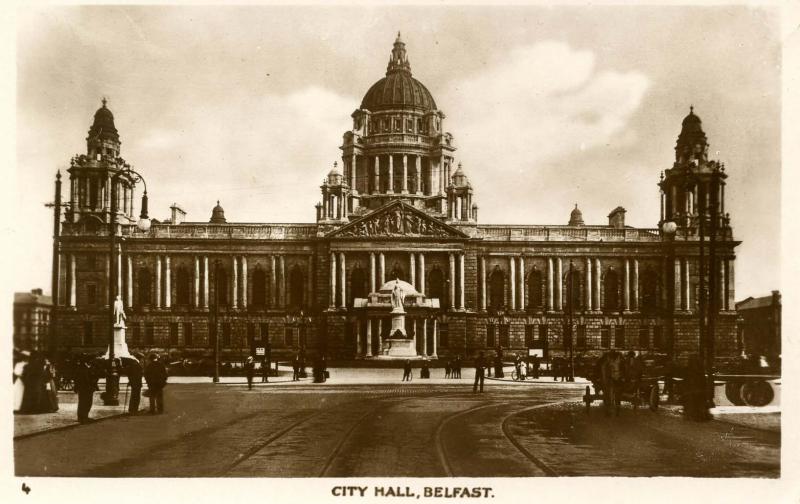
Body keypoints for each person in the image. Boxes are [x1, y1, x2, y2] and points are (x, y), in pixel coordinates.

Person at [683, 355, 711, 421]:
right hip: (699, 391)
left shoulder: (688, 369)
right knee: (699, 404)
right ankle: (699, 416)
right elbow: (703, 381)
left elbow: (686, 381)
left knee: (692, 404)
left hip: (692, 391)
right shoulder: (700, 370)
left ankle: (693, 416)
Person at [74, 355, 98, 423]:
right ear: (87, 361)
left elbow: (93, 376)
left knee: (87, 402)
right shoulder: (82, 368)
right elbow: (79, 378)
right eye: (91, 360)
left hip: (88, 388)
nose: (92, 362)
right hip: (84, 388)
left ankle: (84, 416)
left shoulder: (90, 367)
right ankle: (82, 417)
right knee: (83, 402)